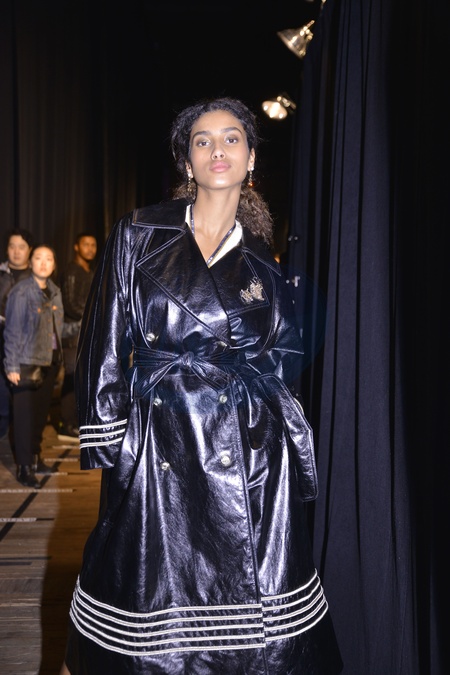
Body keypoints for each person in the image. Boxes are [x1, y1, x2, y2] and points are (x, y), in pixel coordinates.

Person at [60, 97, 343, 674]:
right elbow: (104, 341)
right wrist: (112, 442)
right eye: (203, 140)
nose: (218, 149)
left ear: (251, 158)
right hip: (157, 442)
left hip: (249, 452)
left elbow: (285, 352)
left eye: (232, 138)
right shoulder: (139, 233)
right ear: (187, 162)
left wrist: (267, 418)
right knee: (136, 600)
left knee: (257, 627)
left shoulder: (263, 263)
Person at [3, 245, 63, 488]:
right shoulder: (21, 291)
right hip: (26, 362)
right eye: (38, 258)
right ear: (31, 263)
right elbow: (12, 331)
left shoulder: (55, 291)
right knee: (24, 420)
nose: (43, 263)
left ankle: (36, 460)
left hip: (48, 362)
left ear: (54, 265)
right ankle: (24, 468)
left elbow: (56, 330)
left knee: (39, 418)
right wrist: (11, 365)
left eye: (49, 259)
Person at [58, 232, 97, 439]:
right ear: (76, 247)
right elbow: (71, 304)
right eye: (85, 244)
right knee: (72, 379)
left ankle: (78, 422)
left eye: (93, 245)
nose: (90, 248)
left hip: (87, 332)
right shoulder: (72, 271)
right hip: (73, 336)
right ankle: (67, 424)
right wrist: (95, 314)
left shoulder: (89, 271)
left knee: (82, 379)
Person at [0, 229, 34, 441]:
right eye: (12, 246)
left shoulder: (37, 275)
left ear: (29, 250)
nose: (16, 251)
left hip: (28, 343)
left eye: (21, 247)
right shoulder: (1, 274)